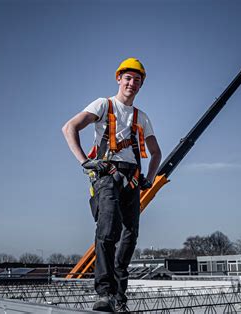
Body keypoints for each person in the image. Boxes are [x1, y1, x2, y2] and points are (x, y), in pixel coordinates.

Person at [62, 58, 161, 312]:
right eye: (128, 78)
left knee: (130, 236)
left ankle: (119, 294)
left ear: (141, 85)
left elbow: (155, 152)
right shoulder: (103, 105)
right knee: (108, 230)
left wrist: (149, 177)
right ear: (119, 78)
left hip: (132, 178)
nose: (132, 83)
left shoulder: (142, 117)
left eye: (137, 80)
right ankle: (104, 293)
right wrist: (85, 161)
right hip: (107, 173)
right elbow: (69, 127)